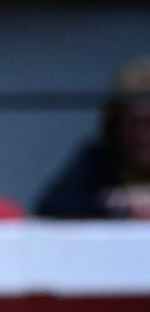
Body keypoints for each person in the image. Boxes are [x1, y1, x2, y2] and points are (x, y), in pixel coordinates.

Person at [35, 56, 150, 219]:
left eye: (149, 122)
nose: (143, 135)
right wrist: (118, 205)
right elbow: (51, 207)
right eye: (134, 123)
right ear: (115, 123)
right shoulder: (99, 160)